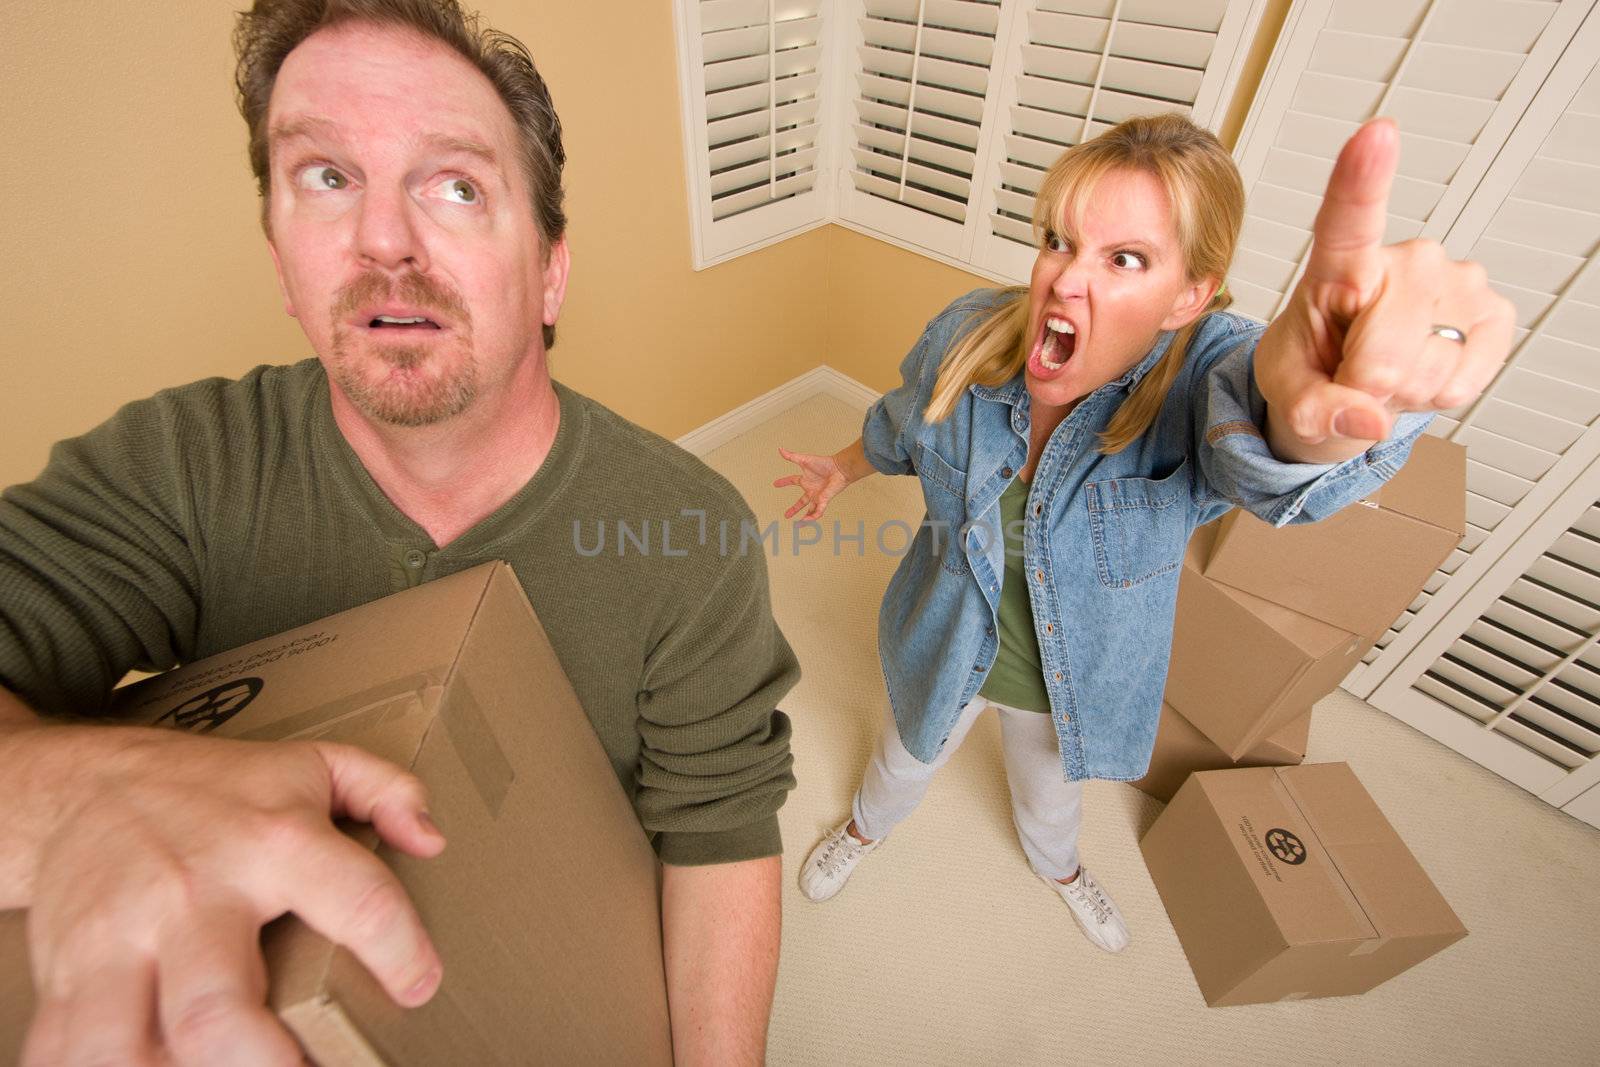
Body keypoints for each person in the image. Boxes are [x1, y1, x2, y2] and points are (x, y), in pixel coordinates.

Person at [0, 2, 796, 1063]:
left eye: (456, 184)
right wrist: (65, 792)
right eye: (326, 176)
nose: (383, 239)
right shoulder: (183, 463)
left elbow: (717, 835)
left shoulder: (692, 533)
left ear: (550, 270)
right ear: (281, 259)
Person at [776, 114, 1510, 952]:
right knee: (904, 759)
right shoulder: (969, 335)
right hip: (944, 640)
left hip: (1072, 681)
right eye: (1061, 240)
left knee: (1051, 792)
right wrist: (844, 466)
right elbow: (905, 424)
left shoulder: (1203, 377)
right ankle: (866, 829)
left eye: (1126, 258)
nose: (1064, 281)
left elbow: (1263, 432)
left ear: (1190, 294)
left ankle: (1058, 866)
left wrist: (1321, 415)